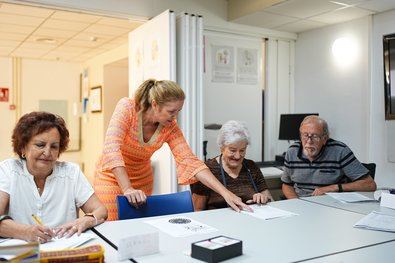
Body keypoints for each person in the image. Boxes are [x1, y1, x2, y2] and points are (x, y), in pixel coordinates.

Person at [94, 79, 251, 220]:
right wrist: (127, 188)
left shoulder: (170, 127)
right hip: (112, 176)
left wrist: (225, 193)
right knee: (111, 224)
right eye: (171, 111)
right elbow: (111, 147)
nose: (175, 117)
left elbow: (190, 161)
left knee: (137, 224)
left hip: (142, 178)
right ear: (155, 104)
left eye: (178, 111)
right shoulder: (128, 107)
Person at [0, 112, 108, 243]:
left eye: (54, 146)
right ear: (23, 147)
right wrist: (25, 232)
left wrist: (86, 220)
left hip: (65, 250)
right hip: (21, 253)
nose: (47, 152)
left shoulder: (71, 172)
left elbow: (100, 210)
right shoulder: (8, 170)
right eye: (40, 145)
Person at [281, 115, 377, 199]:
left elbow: (370, 185)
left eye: (315, 136)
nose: (309, 141)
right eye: (305, 135)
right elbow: (286, 185)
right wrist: (296, 202)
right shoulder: (292, 151)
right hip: (301, 204)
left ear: (325, 139)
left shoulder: (340, 151)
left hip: (331, 207)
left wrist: (335, 187)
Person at [191, 120, 273, 210]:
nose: (237, 156)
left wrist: (263, 198)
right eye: (232, 150)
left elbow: (270, 201)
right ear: (222, 148)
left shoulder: (251, 167)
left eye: (242, 150)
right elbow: (198, 211)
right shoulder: (205, 171)